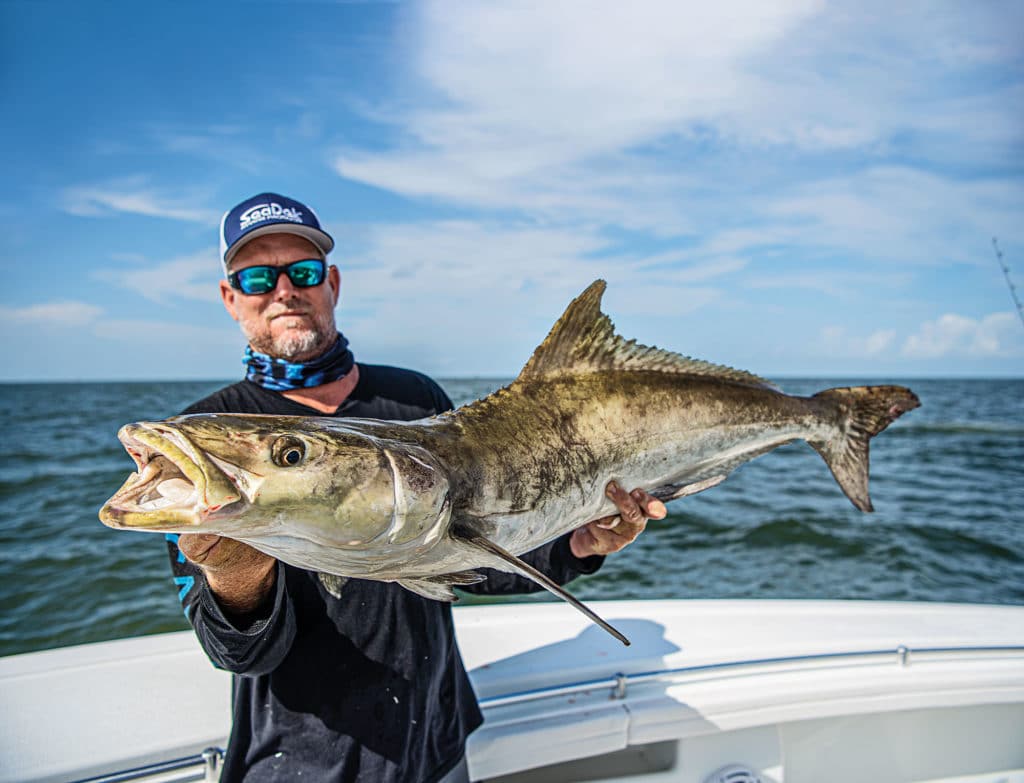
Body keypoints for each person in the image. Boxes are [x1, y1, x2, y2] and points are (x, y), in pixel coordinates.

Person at [166, 192, 666, 783]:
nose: (283, 291)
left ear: (332, 283)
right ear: (230, 297)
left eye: (302, 272)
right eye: (256, 277)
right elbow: (239, 655)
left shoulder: (415, 402)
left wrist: (577, 547)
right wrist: (234, 579)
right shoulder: (207, 442)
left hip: (438, 742)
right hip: (298, 766)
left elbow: (475, 558)